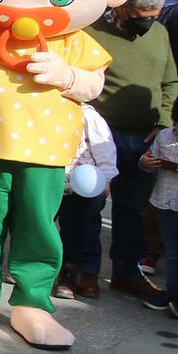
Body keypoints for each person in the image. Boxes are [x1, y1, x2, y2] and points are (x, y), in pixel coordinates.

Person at [79, 0, 178, 300]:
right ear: (121, 8)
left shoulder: (160, 33)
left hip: (143, 137)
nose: (148, 23)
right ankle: (85, 270)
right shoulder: (92, 30)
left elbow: (170, 81)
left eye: (154, 16)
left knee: (133, 208)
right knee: (88, 204)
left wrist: (164, 121)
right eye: (142, 17)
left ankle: (126, 272)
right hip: (98, 138)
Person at [53, 103, 118, 300]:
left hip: (85, 183)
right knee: (40, 223)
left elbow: (104, 147)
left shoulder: (87, 114)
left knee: (85, 228)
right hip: (53, 179)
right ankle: (30, 264)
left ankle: (84, 274)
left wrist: (106, 176)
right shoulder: (44, 107)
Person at [141, 92, 178, 315]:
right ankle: (174, 294)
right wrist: (147, 162)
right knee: (174, 252)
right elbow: (146, 159)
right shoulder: (164, 136)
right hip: (166, 204)